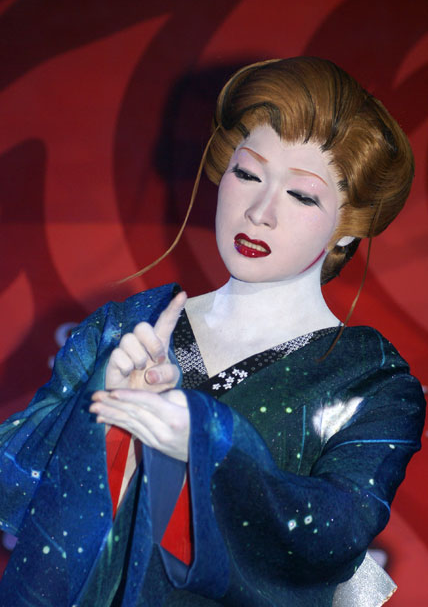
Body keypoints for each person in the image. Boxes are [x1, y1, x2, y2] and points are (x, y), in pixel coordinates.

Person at [0, 57, 425, 606]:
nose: (260, 212)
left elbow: (335, 533)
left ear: (347, 228)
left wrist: (211, 444)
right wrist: (101, 412)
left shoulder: (371, 385)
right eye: (247, 175)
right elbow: (11, 475)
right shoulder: (125, 329)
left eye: (302, 196)